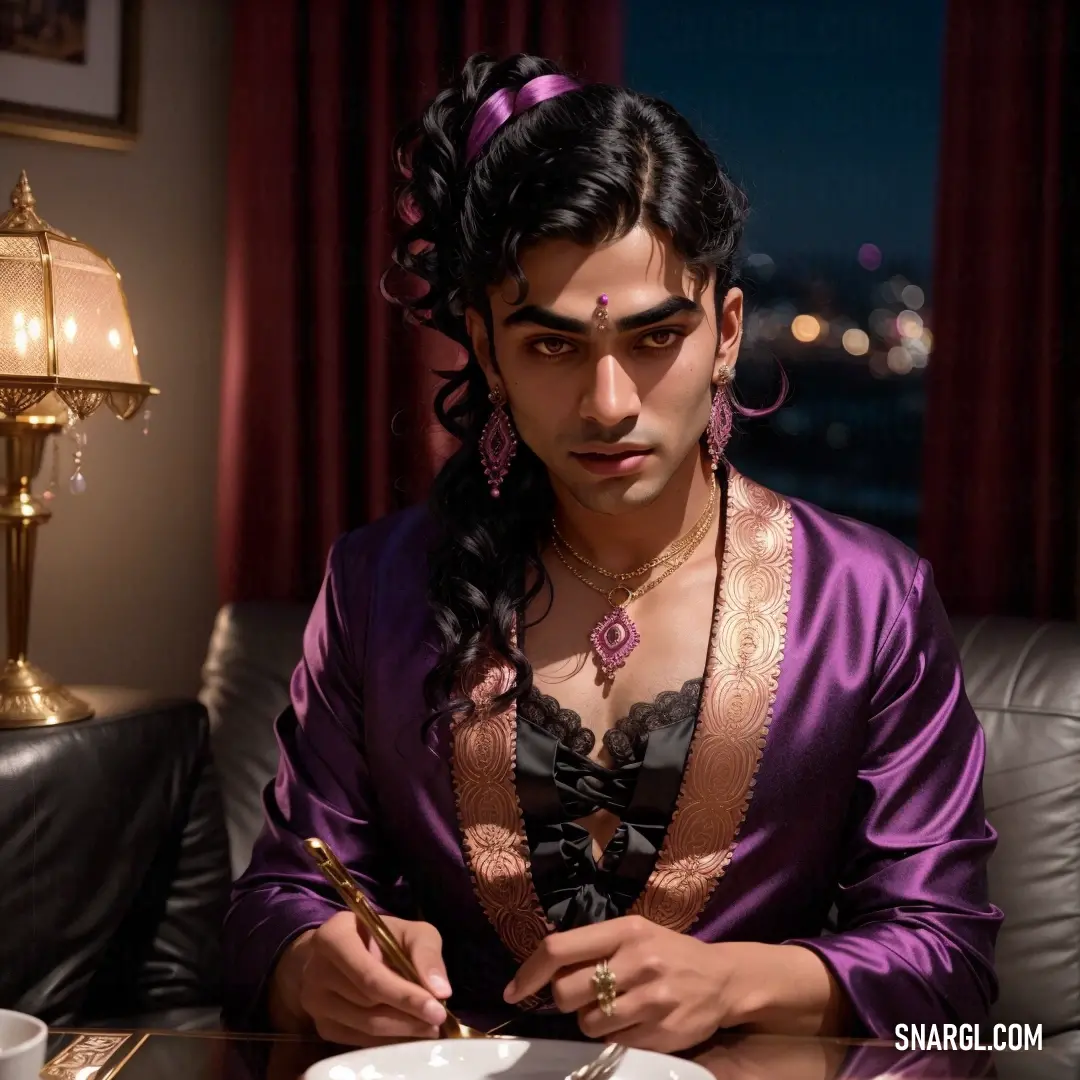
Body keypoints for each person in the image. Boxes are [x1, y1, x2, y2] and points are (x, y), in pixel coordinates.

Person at [222, 52, 1001, 1053]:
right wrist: (310, 962)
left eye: (653, 339)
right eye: (552, 346)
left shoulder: (868, 605)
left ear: (724, 333)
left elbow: (954, 966)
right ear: (486, 348)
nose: (608, 403)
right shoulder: (381, 588)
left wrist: (733, 981)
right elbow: (274, 900)